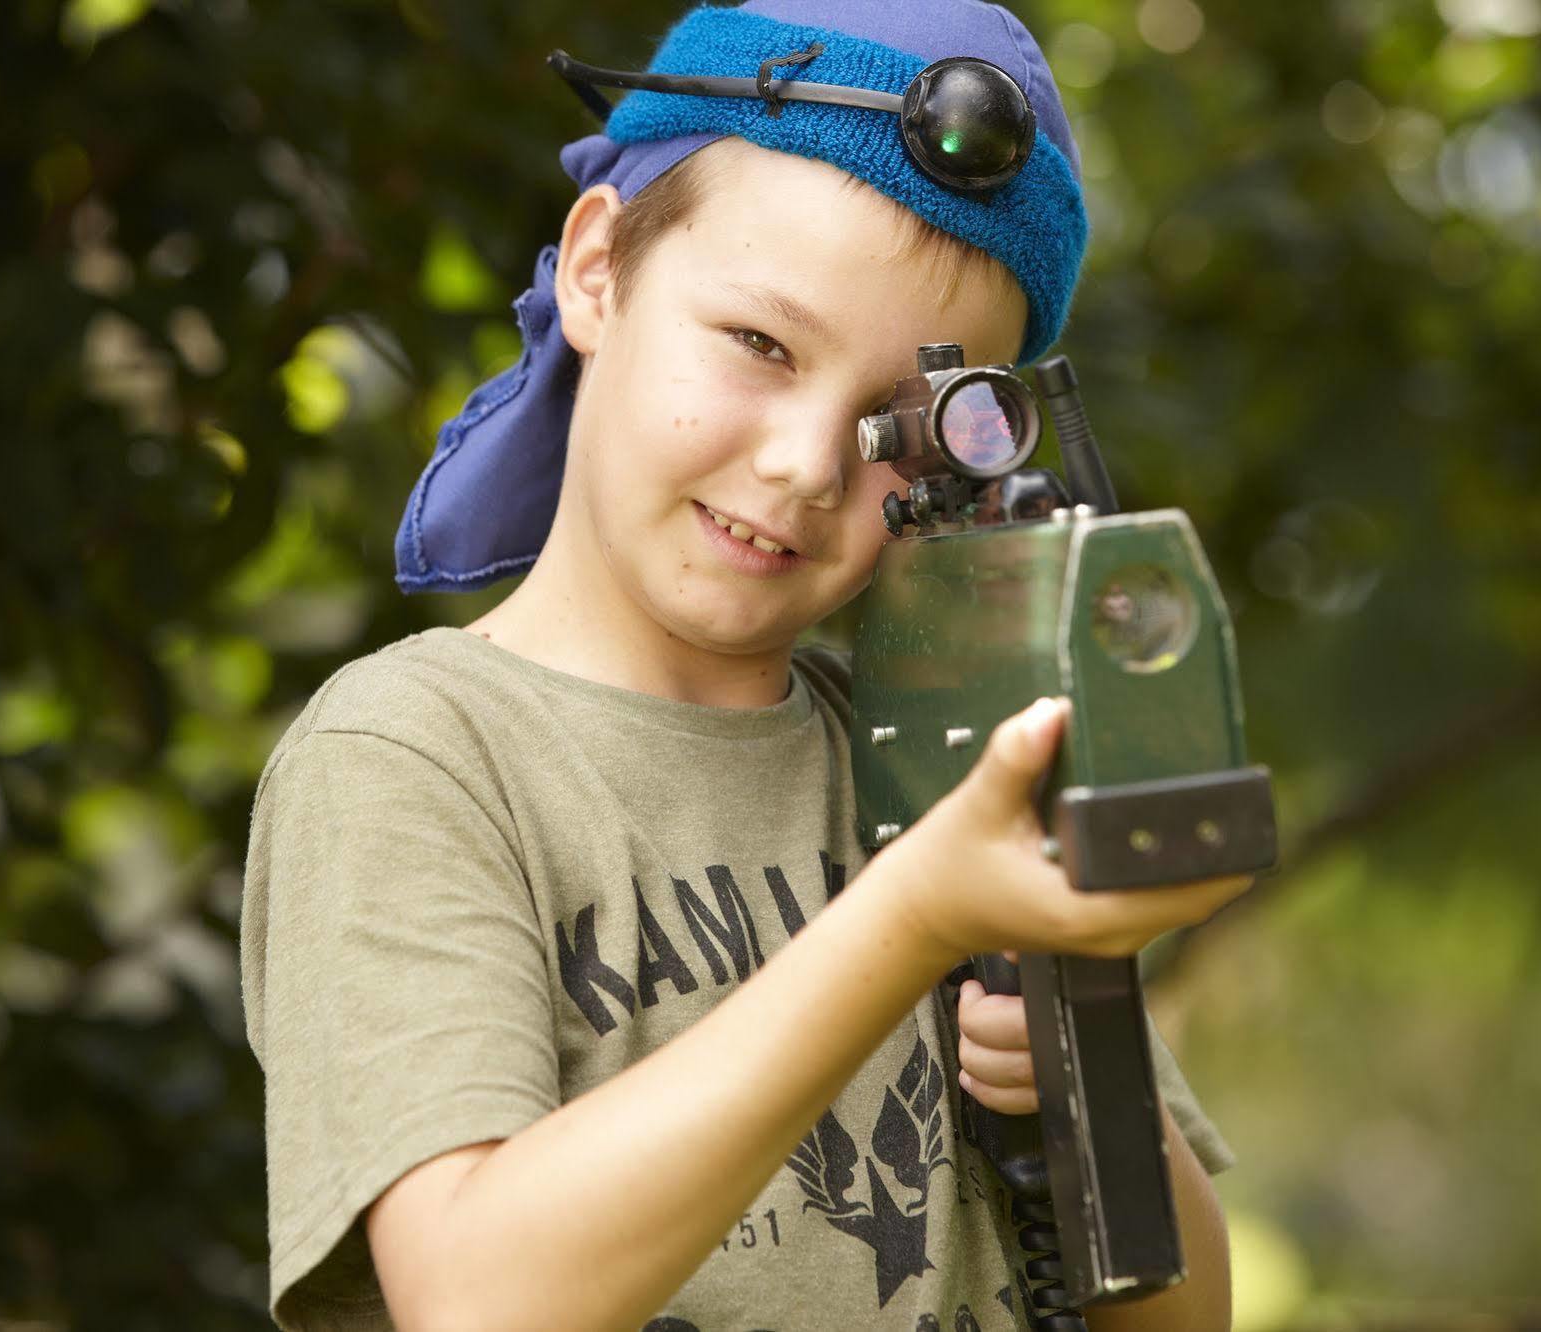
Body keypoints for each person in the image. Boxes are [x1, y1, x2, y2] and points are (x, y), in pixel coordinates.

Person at [239, 2, 1252, 1327]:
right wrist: (915, 923)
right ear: (599, 270)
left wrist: (1076, 1074)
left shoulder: (944, 753)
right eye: (761, 347)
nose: (808, 465)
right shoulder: (416, 754)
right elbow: (479, 1299)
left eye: (904, 424)